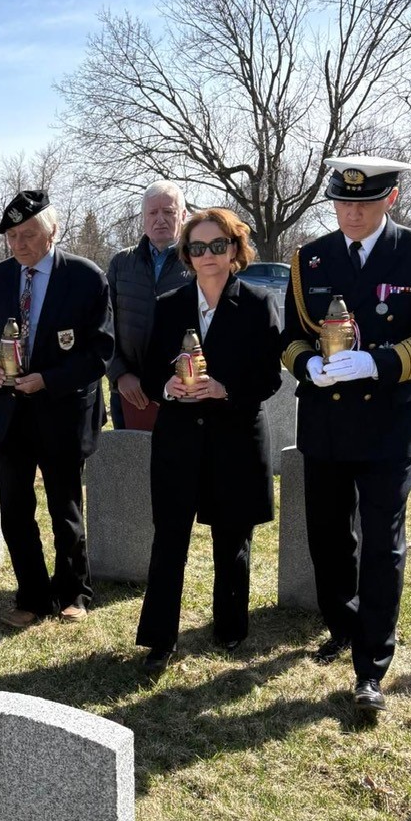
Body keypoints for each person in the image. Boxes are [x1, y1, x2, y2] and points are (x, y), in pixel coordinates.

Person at [280, 156, 411, 717]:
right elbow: (290, 337)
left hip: (388, 422)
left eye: (365, 202)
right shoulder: (311, 257)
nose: (352, 213)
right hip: (326, 421)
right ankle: (344, 625)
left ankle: (371, 668)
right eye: (342, 202)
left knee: (383, 542)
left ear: (391, 199)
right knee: (328, 537)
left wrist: (377, 363)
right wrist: (306, 364)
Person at [136, 208, 281, 671]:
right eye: (197, 247)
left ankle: (230, 627)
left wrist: (226, 390)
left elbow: (269, 378)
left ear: (235, 248)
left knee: (232, 537)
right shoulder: (169, 305)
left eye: (218, 245)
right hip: (179, 438)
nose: (208, 255)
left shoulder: (258, 303)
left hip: (235, 436)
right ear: (187, 255)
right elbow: (151, 368)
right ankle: (160, 638)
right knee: (169, 538)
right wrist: (166, 387)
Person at [0, 189, 114, 627]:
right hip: (11, 412)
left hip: (61, 410)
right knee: (16, 510)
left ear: (53, 230)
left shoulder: (85, 277)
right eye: (12, 237)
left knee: (64, 507)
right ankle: (32, 596)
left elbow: (100, 351)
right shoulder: (1, 276)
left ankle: (74, 590)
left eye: (28, 234)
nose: (19, 244)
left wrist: (48, 379)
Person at [107, 180, 192, 429]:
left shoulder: (197, 262)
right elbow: (103, 326)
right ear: (143, 218)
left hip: (183, 390)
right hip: (129, 391)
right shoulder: (121, 263)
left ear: (183, 215)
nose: (160, 219)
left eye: (169, 212)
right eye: (153, 213)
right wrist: (120, 374)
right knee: (131, 454)